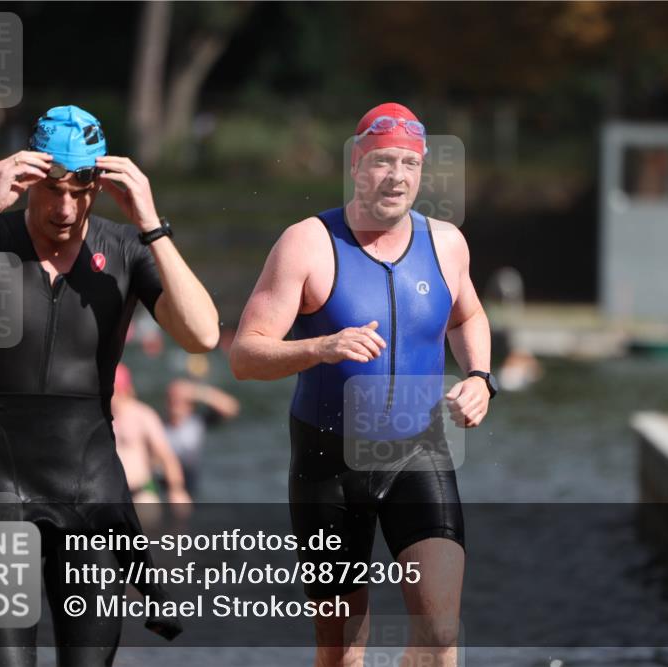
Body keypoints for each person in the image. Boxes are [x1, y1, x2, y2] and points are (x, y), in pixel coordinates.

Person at [0, 105, 220, 667]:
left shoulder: (126, 248)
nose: (65, 208)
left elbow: (203, 335)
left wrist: (152, 223)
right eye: (53, 189)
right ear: (30, 178)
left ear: (99, 184)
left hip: (86, 481)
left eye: (80, 191)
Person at [230, 102, 494, 667]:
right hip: (329, 463)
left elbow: (468, 316)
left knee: (442, 633)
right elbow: (246, 356)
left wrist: (479, 377)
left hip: (418, 453)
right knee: (343, 651)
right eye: (381, 162)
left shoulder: (446, 243)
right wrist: (320, 347)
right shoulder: (307, 243)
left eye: (409, 164)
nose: (396, 176)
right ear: (356, 166)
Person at [111, 363, 191, 504]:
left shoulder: (142, 415)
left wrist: (177, 490)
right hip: (109, 497)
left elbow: (165, 455)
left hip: (140, 493)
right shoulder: (99, 418)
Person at [164, 369, 240, 497]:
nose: (176, 404)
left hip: (191, 484)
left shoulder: (197, 422)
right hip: (165, 486)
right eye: (173, 399)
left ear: (190, 404)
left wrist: (197, 392)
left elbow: (231, 408)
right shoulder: (157, 424)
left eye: (180, 400)